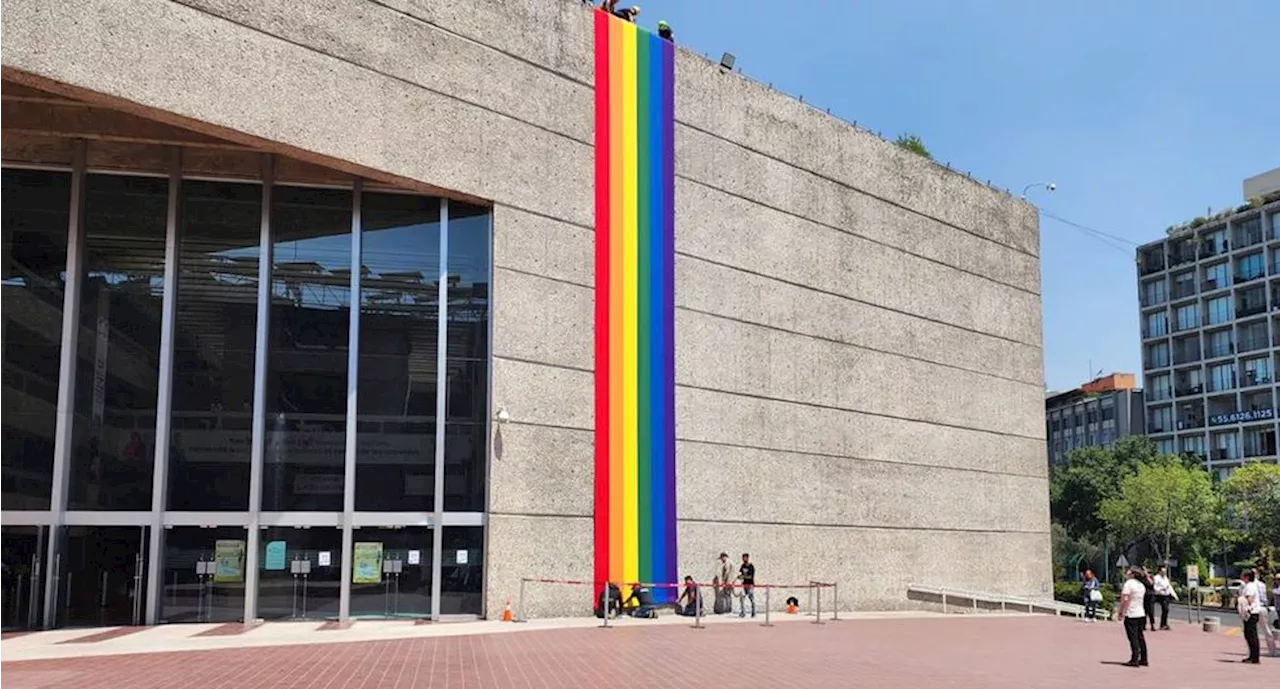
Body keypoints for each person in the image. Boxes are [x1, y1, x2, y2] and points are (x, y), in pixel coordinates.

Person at [1118, 567, 1149, 667]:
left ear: (1132, 574)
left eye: (1128, 571)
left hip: (1131, 613)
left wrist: (1121, 611)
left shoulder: (1129, 584)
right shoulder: (1141, 585)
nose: (1126, 573)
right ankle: (1144, 658)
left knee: (1133, 637)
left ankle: (1134, 659)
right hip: (1141, 613)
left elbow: (1125, 599)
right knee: (1140, 636)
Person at [1240, 569, 1264, 664]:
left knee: (1251, 635)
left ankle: (1254, 657)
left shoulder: (1250, 586)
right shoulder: (1248, 586)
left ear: (1247, 577)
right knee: (1249, 634)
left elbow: (1249, 599)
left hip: (1251, 612)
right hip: (1251, 612)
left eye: (1243, 575)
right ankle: (1252, 656)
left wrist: (1243, 603)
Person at [1152, 566, 1177, 630]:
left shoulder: (1166, 578)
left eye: (1165, 572)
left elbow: (1169, 586)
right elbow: (1154, 586)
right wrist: (1160, 590)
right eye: (1163, 571)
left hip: (1166, 595)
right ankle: (1156, 624)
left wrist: (1174, 595)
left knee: (1166, 610)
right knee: (1152, 609)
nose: (1164, 573)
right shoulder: (1156, 578)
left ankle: (1164, 624)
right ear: (1159, 571)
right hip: (1159, 595)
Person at [737, 553, 756, 618]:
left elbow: (750, 576)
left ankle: (753, 613)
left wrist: (743, 576)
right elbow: (740, 573)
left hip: (750, 585)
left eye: (745, 558)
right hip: (744, 585)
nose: (743, 559)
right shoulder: (742, 566)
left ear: (748, 558)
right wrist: (739, 576)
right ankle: (743, 613)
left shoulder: (751, 566)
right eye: (743, 558)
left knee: (751, 599)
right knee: (742, 598)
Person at [1140, 567, 1156, 632]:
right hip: (1143, 595)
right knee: (1144, 611)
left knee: (1151, 611)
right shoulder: (1141, 578)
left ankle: (1152, 625)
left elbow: (1151, 583)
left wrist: (1147, 576)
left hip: (1151, 595)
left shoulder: (1151, 577)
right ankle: (1143, 625)